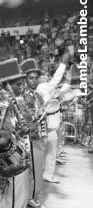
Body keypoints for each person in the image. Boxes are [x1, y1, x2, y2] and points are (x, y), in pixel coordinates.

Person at [0, 58, 31, 208]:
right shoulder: (2, 102)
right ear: (7, 84)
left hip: (14, 153)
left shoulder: (11, 99)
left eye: (21, 83)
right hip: (11, 157)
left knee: (7, 191)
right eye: (17, 83)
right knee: (16, 192)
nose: (21, 86)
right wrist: (9, 152)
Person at [19, 58, 48, 208]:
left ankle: (30, 196)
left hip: (38, 136)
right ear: (25, 79)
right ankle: (33, 198)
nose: (34, 80)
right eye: (31, 78)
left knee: (37, 169)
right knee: (35, 170)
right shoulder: (23, 96)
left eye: (36, 78)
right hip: (29, 138)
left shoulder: (37, 95)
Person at [36, 53, 69, 183]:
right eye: (44, 77)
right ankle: (46, 174)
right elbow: (56, 79)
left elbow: (60, 88)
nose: (46, 78)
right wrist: (63, 63)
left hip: (49, 126)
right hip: (47, 127)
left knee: (48, 153)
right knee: (49, 152)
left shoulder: (47, 90)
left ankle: (45, 174)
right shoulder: (43, 87)